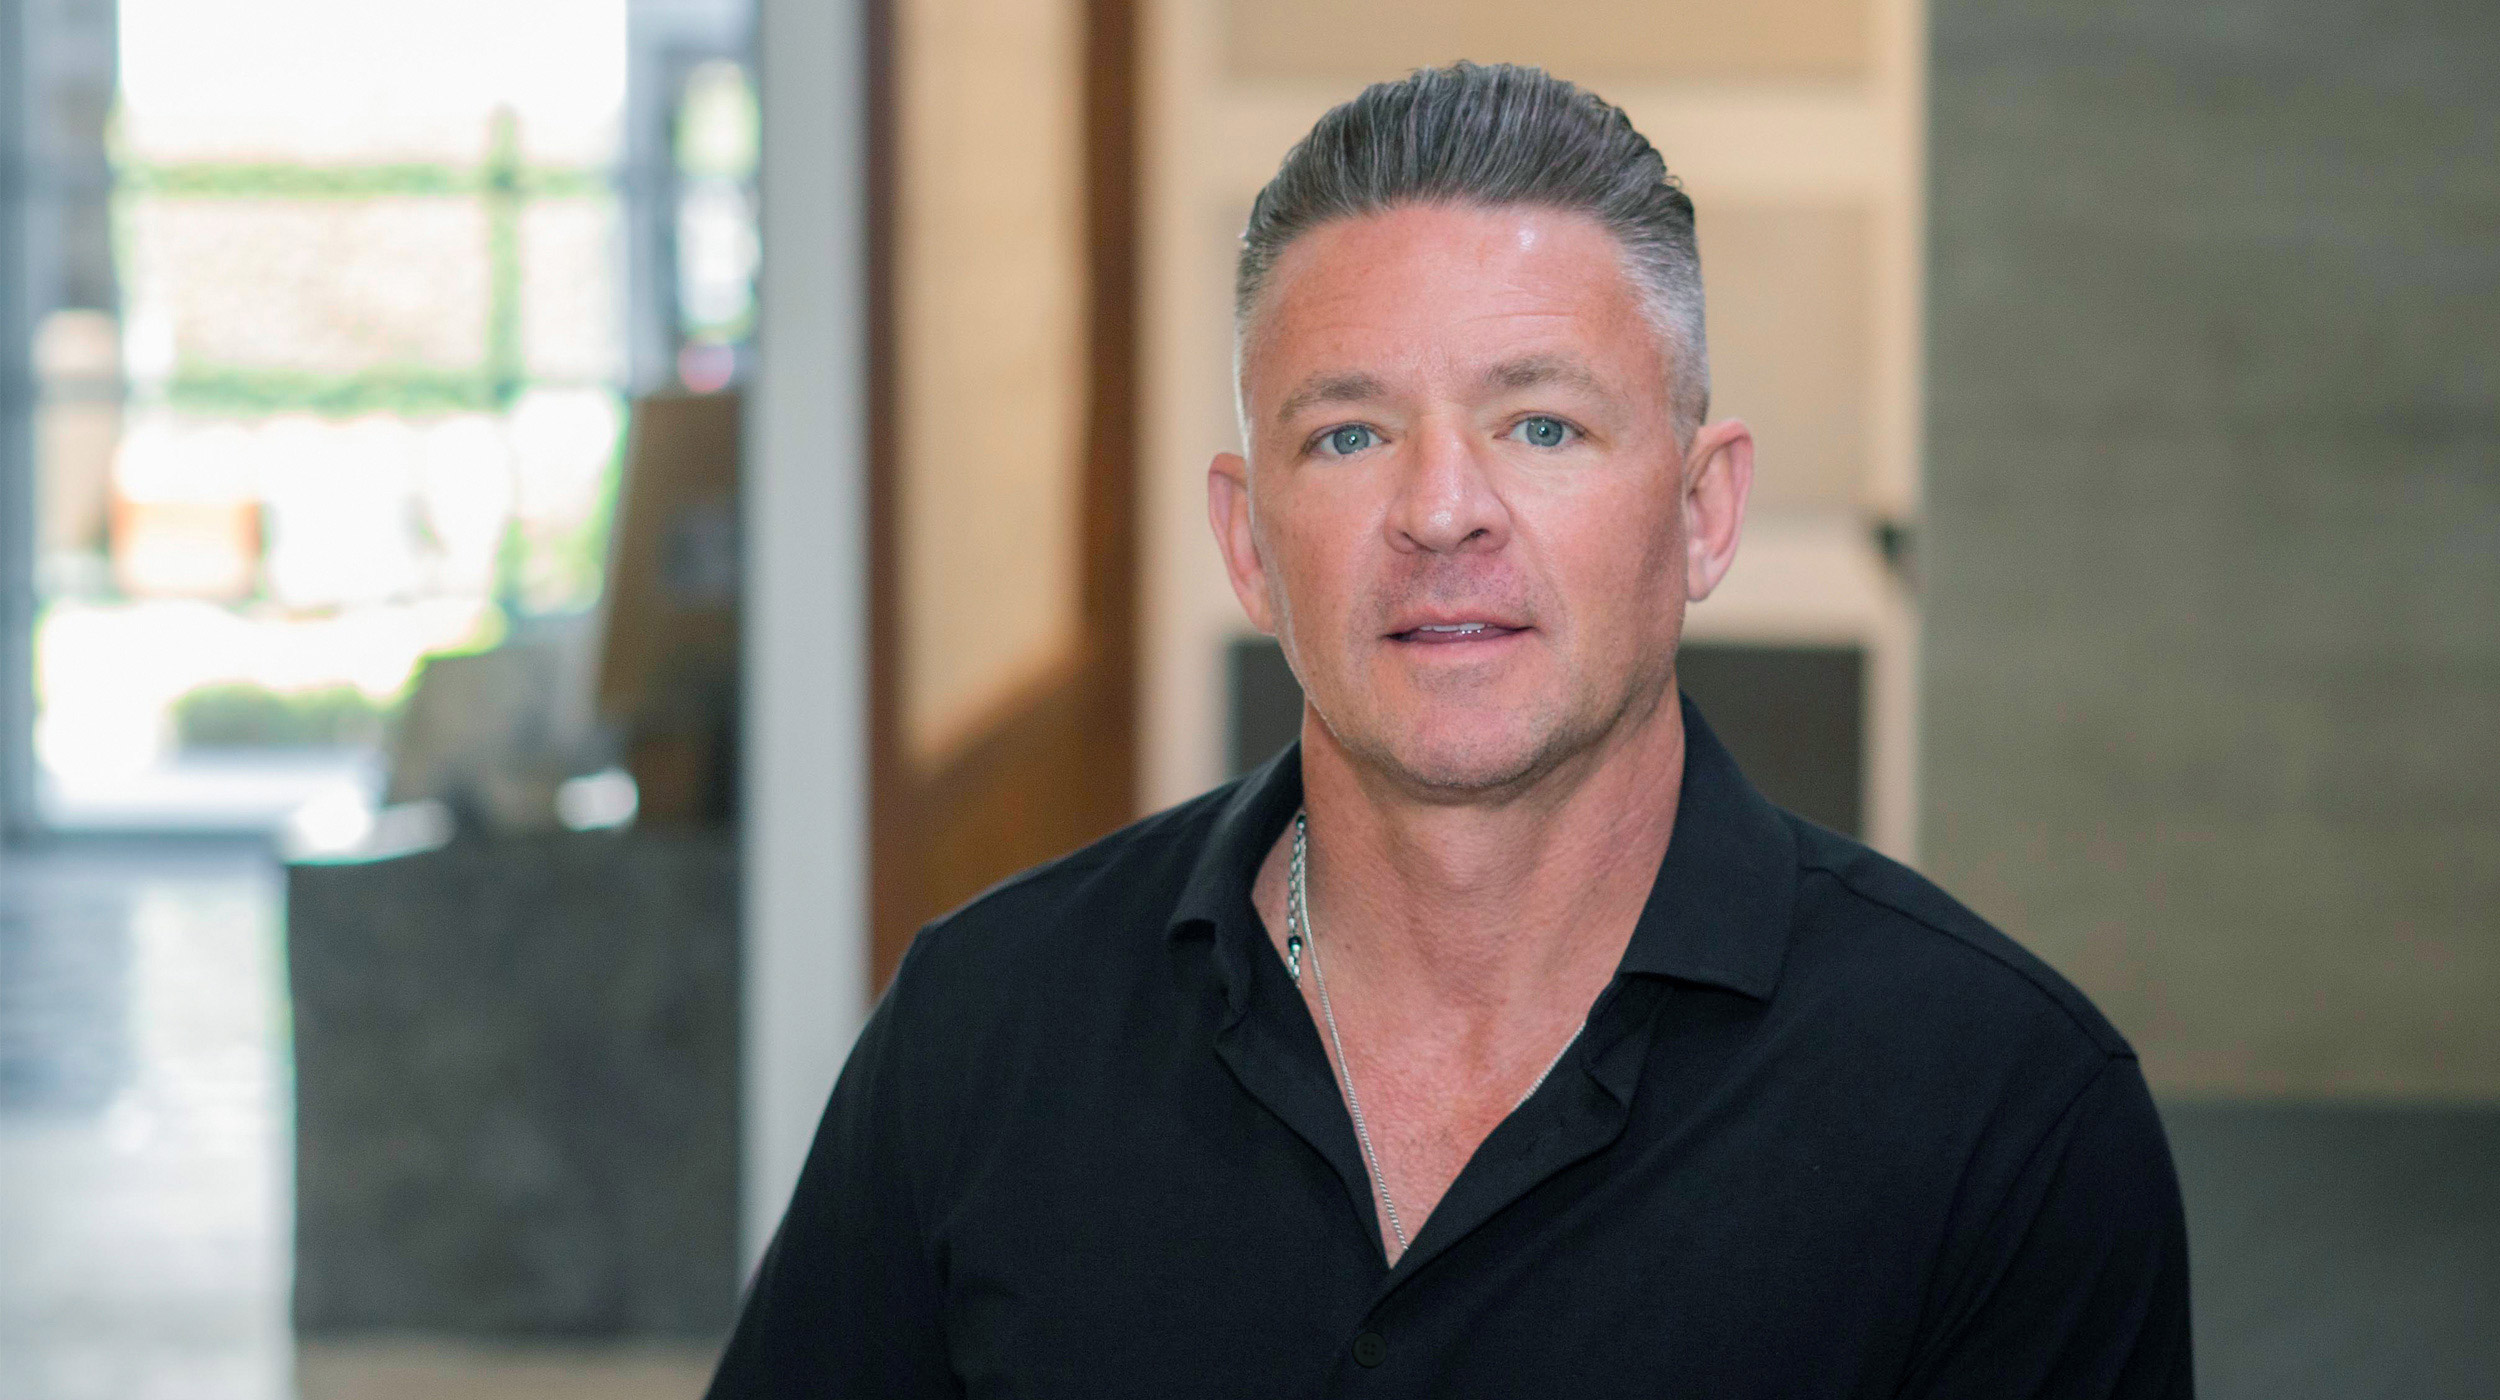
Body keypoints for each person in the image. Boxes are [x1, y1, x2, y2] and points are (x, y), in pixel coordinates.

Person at [708, 62, 2191, 1398]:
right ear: (1246, 542)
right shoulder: (982, 1030)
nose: (1439, 510)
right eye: (1348, 435)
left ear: (1701, 509)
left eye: (1540, 425)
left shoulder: (2009, 1116)